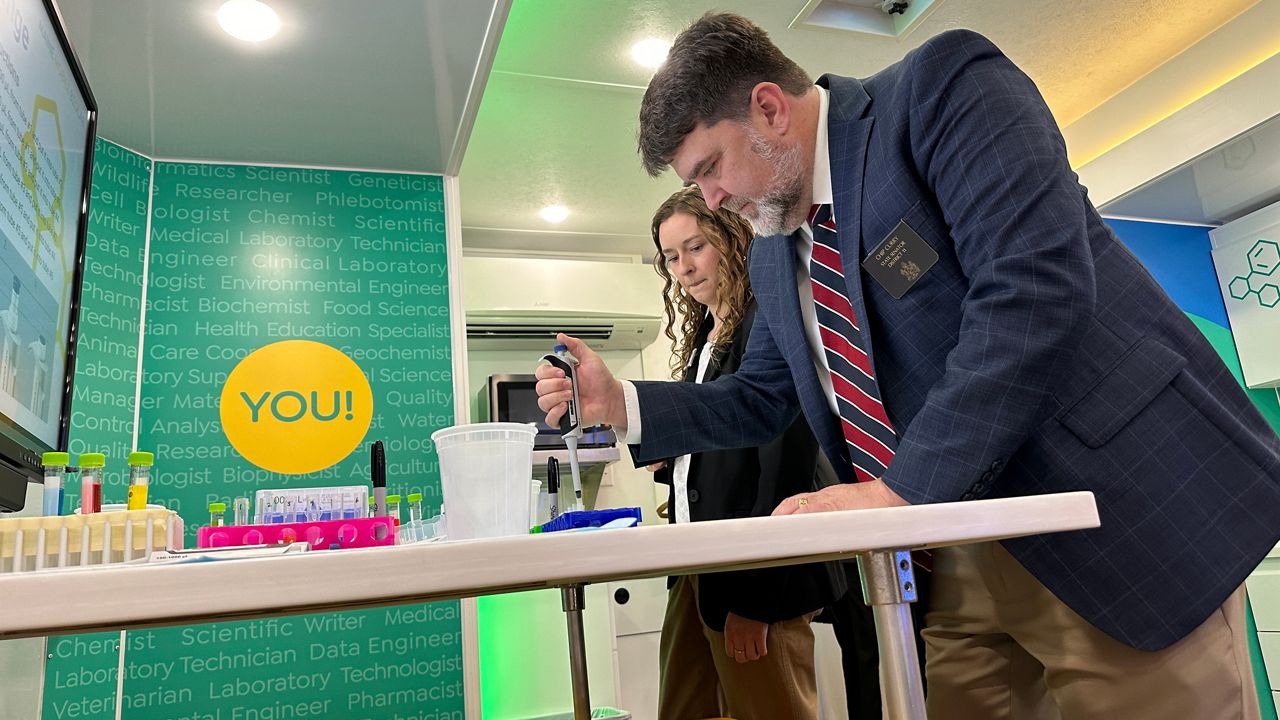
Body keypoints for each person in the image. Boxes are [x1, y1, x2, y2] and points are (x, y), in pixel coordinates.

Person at [537, 13, 1280, 719]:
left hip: (1102, 513)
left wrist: (900, 494)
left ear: (767, 109)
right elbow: (761, 398)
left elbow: (1031, 287)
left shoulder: (940, 91)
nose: (714, 199)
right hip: (954, 566)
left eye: (710, 169)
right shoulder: (773, 254)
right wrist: (621, 402)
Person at [644, 185, 845, 719]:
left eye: (695, 247)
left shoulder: (768, 326)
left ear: (731, 241)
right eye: (671, 256)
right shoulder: (706, 338)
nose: (683, 268)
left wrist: (756, 603)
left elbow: (786, 471)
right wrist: (677, 464)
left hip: (752, 576)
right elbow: (724, 451)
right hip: (694, 567)